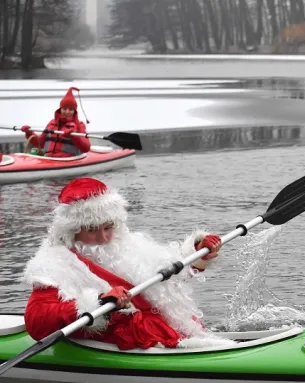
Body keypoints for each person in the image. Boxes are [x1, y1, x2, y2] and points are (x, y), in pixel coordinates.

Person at [22, 177, 236, 350]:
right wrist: (98, 304)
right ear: (72, 231)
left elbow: (172, 278)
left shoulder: (128, 244)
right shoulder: (54, 264)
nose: (104, 237)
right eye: (92, 230)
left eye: (108, 227)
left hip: (163, 330)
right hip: (123, 338)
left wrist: (199, 254)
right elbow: (37, 320)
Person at [20, 86, 91, 158]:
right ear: (60, 109)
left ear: (74, 111)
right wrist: (29, 133)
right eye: (64, 108)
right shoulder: (51, 123)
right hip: (48, 158)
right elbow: (40, 143)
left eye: (70, 109)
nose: (67, 112)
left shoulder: (80, 125)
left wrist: (74, 136)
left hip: (67, 160)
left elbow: (86, 148)